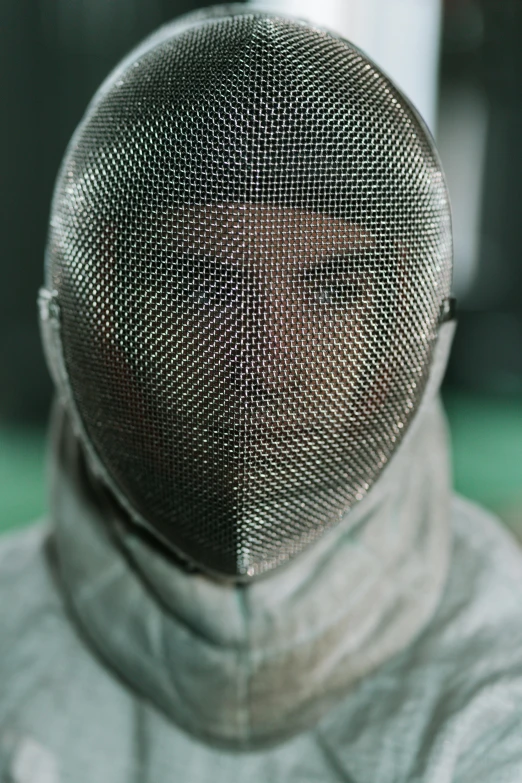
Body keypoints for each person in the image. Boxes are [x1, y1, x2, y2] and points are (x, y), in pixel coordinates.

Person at [2, 6, 522, 781]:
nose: (265, 359)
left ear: (410, 330)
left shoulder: (494, 683)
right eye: (203, 287)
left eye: (332, 289)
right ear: (95, 321)